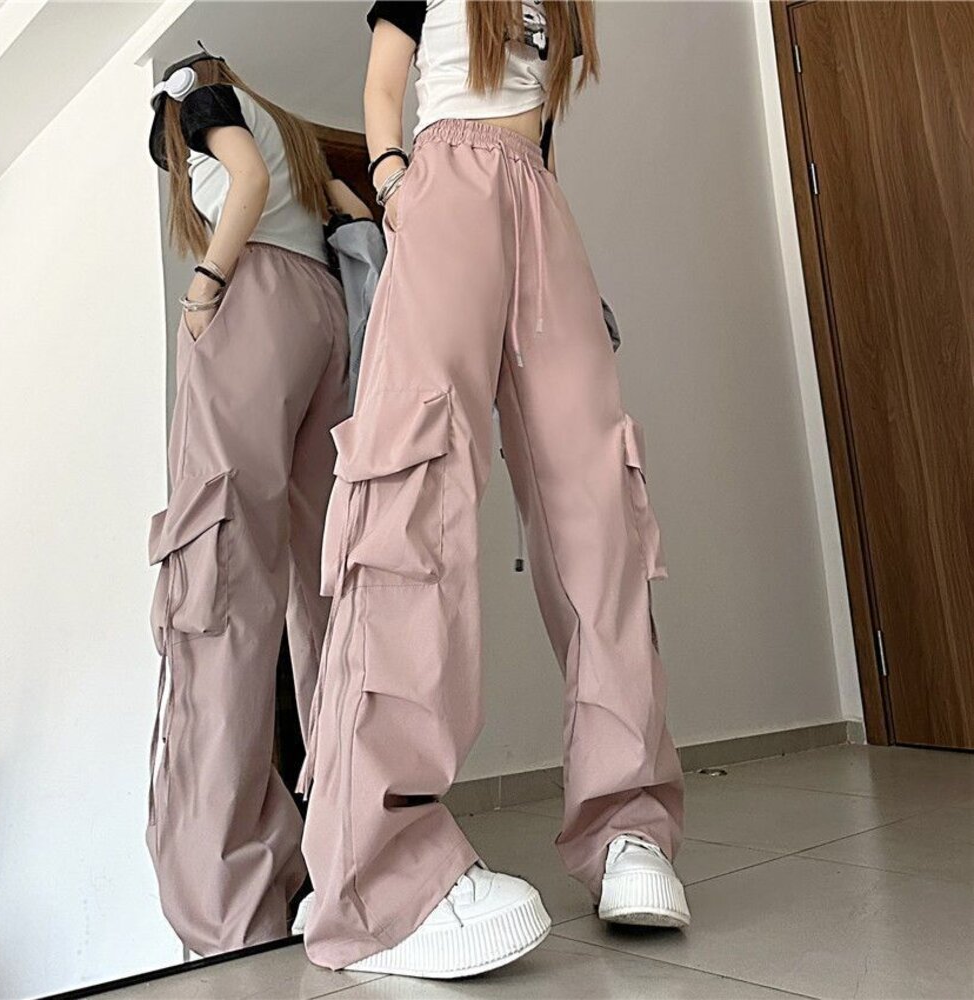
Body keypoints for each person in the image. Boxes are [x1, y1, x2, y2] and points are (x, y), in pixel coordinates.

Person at [299, 1, 688, 979]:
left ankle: (627, 822)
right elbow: (382, 85)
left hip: (538, 204)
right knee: (415, 478)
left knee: (596, 496)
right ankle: (381, 876)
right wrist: (397, 183)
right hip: (445, 181)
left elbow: (542, 126)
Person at [145, 45, 368, 956]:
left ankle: (230, 907)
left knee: (220, 579)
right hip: (325, 315)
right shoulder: (299, 139)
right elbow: (356, 213)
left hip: (257, 303)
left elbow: (241, 180)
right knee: (324, 584)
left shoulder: (203, 105)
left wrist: (206, 288)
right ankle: (352, 856)